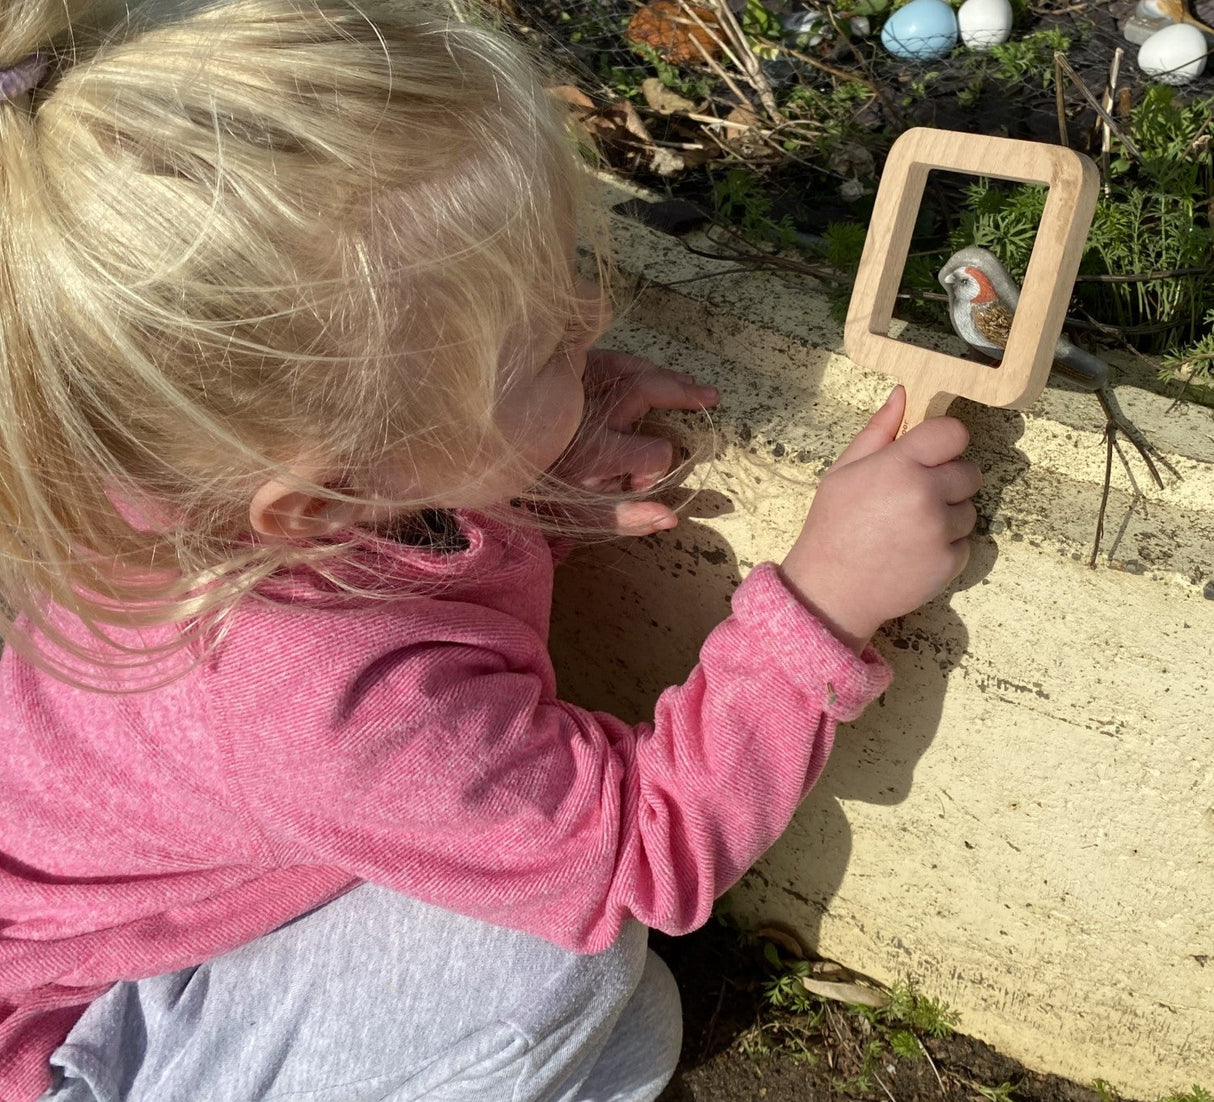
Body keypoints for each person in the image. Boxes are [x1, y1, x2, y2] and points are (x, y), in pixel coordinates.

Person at [0, 0, 983, 1099]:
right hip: (73, 1039)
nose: (589, 305)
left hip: (152, 918)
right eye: (531, 342)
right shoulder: (332, 704)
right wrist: (820, 603)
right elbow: (634, 856)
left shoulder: (193, 436)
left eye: (558, 261)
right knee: (554, 958)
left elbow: (400, 498)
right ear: (324, 496)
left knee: (622, 1028)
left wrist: (524, 448)